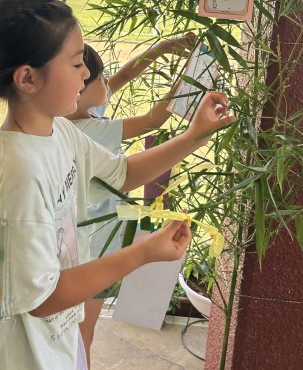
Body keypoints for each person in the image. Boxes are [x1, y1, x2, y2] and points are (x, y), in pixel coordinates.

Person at [0, 0, 233, 369]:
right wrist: (143, 253)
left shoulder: (59, 133)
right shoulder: (16, 174)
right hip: (21, 358)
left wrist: (193, 136)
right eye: (77, 63)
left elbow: (123, 173)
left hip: (56, 343)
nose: (87, 74)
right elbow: (42, 298)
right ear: (28, 79)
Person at [66, 38, 195, 364]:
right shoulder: (91, 131)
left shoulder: (79, 114)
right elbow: (153, 120)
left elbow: (121, 78)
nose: (108, 82)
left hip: (86, 241)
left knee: (78, 329)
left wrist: (162, 49)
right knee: (84, 332)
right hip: (94, 249)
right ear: (79, 88)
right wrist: (192, 78)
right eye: (99, 78)